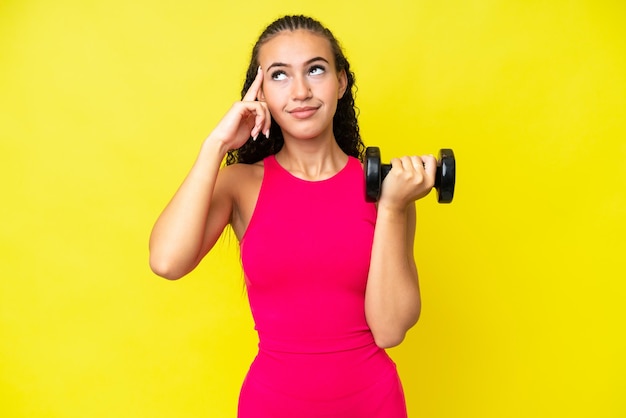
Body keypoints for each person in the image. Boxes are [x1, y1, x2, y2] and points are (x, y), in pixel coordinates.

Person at [149, 14, 437, 418]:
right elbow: (166, 262)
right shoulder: (239, 185)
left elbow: (390, 331)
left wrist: (392, 207)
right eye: (280, 76)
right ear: (260, 92)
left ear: (341, 81)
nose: (300, 91)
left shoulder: (388, 189)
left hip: (373, 403)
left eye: (315, 70)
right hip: (272, 405)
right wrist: (216, 145)